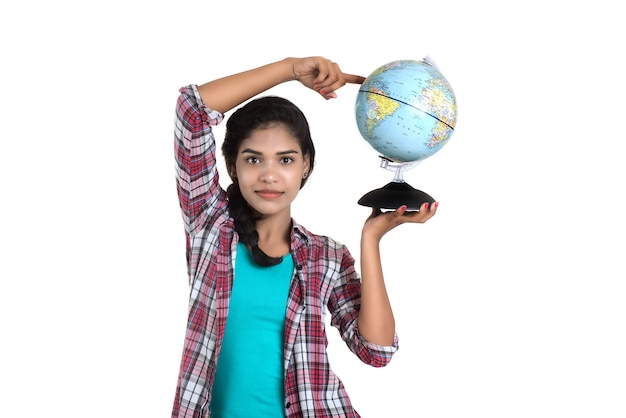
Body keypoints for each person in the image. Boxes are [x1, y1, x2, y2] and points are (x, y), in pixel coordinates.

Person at [171, 56, 438, 418]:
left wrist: (370, 240)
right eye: (253, 160)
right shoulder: (210, 226)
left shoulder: (325, 257)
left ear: (305, 165)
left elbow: (376, 351)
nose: (269, 175)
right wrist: (290, 70)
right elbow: (192, 109)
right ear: (232, 165)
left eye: (285, 160)